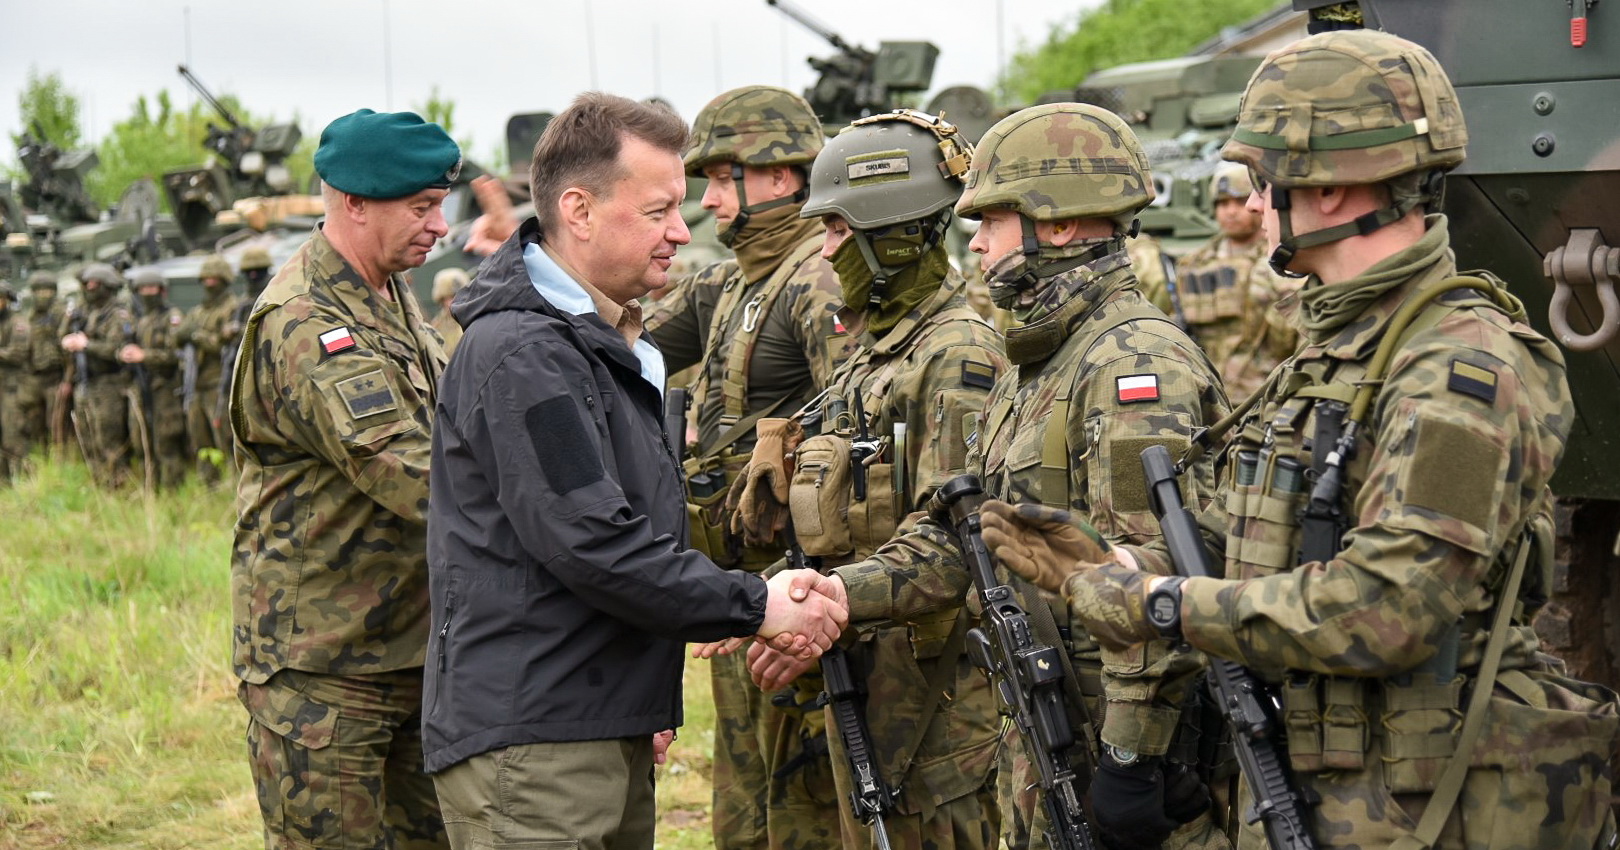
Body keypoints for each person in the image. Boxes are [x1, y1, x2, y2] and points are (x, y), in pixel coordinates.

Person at [978, 29, 1620, 850]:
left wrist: (1161, 605)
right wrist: (1122, 563)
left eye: (1262, 181)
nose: (1249, 206)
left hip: (1432, 806)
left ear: (1327, 188)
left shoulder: (1459, 363)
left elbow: (1389, 606)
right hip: (1332, 789)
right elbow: (1248, 531)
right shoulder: (1334, 353)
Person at [421, 91, 848, 850]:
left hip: (589, 717)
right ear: (579, 211)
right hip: (539, 741)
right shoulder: (527, 356)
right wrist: (758, 604)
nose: (685, 231)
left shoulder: (600, 341)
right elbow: (593, 541)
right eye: (659, 212)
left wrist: (632, 695)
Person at [805, 102, 1233, 850]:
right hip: (1050, 733)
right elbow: (960, 534)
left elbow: (1155, 589)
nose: (973, 242)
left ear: (1057, 226)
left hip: (1123, 758)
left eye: (991, 221)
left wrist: (1131, 760)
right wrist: (841, 592)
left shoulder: (1134, 366)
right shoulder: (1039, 364)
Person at [727, 108, 1010, 850]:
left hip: (933, 705)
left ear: (893, 234)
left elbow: (957, 538)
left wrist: (831, 600)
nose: (824, 251)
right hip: (865, 684)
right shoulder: (876, 353)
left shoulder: (957, 355)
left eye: (838, 232)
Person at [229, 108, 462, 850]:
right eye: (421, 208)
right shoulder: (307, 320)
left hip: (410, 652)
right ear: (354, 202)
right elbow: (416, 473)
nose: (441, 226)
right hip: (326, 670)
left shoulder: (388, 294)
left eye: (440, 205)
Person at [650, 84, 852, 850]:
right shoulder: (736, 279)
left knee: (802, 814)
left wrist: (809, 582)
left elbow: (853, 436)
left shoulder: (816, 278)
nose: (706, 201)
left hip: (796, 597)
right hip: (741, 593)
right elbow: (623, 340)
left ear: (778, 176)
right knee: (746, 812)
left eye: (720, 178)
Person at [1173, 162, 1299, 398]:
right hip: (1208, 393)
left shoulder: (1280, 261)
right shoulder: (1192, 265)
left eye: (1239, 201)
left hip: (1265, 393)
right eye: (1222, 203)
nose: (1230, 211)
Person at [60, 262, 133, 487]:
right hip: (86, 382)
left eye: (95, 285)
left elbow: (116, 349)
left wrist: (86, 345)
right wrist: (69, 331)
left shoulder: (117, 313)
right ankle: (99, 482)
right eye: (87, 285)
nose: (90, 289)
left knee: (108, 438)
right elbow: (62, 335)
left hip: (109, 383)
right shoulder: (84, 310)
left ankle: (117, 485)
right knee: (87, 437)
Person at [118, 268, 187, 489]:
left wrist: (144, 355)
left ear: (161, 290)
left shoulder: (171, 317)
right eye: (143, 289)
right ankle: (150, 488)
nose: (148, 293)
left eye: (152, 288)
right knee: (141, 441)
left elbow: (176, 354)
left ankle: (173, 491)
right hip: (141, 385)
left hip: (165, 386)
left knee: (166, 442)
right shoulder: (137, 317)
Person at [176, 254, 240, 483]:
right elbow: (178, 336)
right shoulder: (199, 310)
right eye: (206, 279)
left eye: (214, 279)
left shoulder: (232, 308)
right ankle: (209, 488)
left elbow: (223, 346)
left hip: (218, 385)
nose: (209, 283)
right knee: (200, 441)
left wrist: (196, 336)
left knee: (226, 439)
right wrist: (187, 334)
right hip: (196, 385)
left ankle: (235, 488)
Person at [3, 272, 67, 458]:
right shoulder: (29, 316)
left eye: (47, 291)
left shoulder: (61, 314)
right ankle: (41, 461)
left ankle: (61, 463)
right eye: (38, 291)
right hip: (32, 378)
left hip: (56, 377)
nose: (42, 295)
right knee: (32, 424)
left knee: (56, 425)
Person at [428, 267, 467, 355]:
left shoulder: (478, 315)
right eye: (447, 298)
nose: (452, 302)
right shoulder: (437, 326)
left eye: (455, 295)